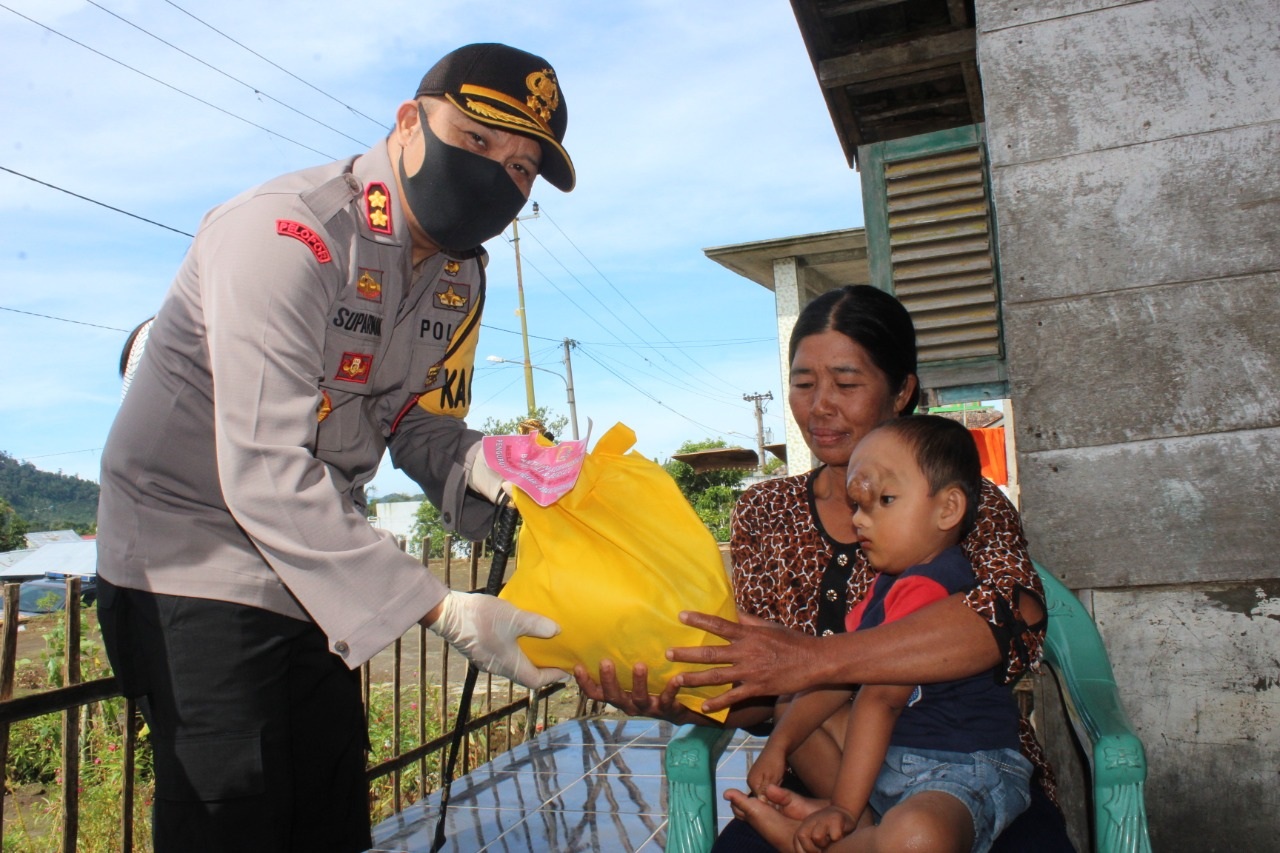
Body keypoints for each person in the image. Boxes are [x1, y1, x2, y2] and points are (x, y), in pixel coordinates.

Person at [96, 43, 575, 853]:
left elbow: (413, 421)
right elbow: (265, 467)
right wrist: (442, 605)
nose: (501, 175)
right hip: (189, 558)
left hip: (311, 567)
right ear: (409, 124)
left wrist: (495, 467)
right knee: (234, 815)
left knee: (326, 811)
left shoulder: (460, 276)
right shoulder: (290, 232)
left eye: (526, 168)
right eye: (481, 140)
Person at [575, 285, 1073, 851]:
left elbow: (1012, 618)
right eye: (804, 384)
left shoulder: (958, 502)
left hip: (963, 770)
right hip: (820, 774)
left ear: (901, 389)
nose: (820, 406)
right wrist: (680, 692)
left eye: (847, 383)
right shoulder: (765, 511)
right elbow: (762, 692)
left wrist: (814, 660)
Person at [736, 415, 1032, 853]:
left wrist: (843, 807)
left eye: (884, 500)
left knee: (917, 838)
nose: (861, 520)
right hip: (896, 762)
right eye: (857, 505)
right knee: (797, 703)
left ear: (948, 509)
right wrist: (780, 745)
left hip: (963, 770)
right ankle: (865, 829)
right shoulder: (885, 586)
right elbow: (837, 677)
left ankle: (837, 836)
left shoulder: (938, 584)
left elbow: (880, 698)